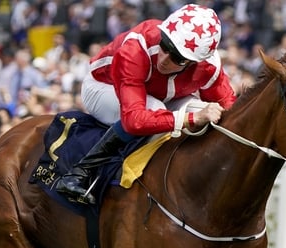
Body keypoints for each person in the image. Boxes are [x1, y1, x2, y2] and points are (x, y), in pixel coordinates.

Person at [55, 4, 236, 204]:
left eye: (177, 57)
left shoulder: (209, 66)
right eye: (165, 45)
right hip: (103, 86)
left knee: (204, 113)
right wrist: (191, 118)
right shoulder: (136, 47)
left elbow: (232, 110)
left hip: (159, 96)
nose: (164, 59)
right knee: (157, 109)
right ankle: (79, 173)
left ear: (195, 61)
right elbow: (134, 120)